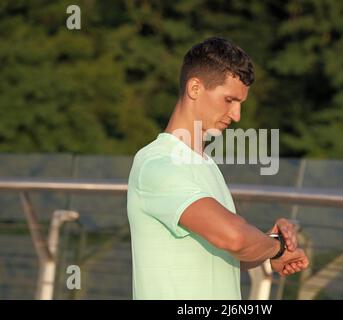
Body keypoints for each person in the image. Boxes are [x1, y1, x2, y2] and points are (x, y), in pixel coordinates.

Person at [127, 36, 309, 300]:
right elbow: (234, 238)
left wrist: (267, 243)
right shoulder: (158, 164)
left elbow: (227, 253)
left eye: (240, 104)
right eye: (229, 100)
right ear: (195, 88)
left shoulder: (207, 165)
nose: (236, 115)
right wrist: (278, 247)